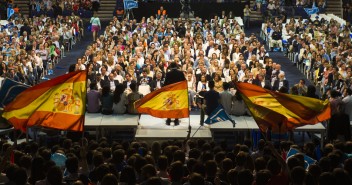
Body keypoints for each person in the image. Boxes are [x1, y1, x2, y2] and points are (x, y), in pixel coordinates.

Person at [163, 62, 186, 126]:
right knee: (177, 105)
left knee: (169, 105)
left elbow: (165, 83)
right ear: (176, 66)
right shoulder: (180, 73)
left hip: (170, 92)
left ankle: (168, 119)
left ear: (170, 66)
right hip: (178, 92)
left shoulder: (168, 73)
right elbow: (184, 81)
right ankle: (176, 120)